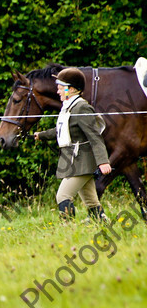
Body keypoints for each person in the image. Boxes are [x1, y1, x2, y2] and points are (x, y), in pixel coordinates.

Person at [33, 67, 111, 221]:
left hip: (81, 161)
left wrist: (103, 161)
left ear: (72, 89)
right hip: (75, 160)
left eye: (61, 88)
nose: (58, 92)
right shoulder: (68, 107)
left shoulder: (81, 107)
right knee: (91, 201)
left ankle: (68, 228)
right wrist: (41, 135)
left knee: (63, 195)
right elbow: (61, 130)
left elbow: (94, 136)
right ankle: (102, 222)